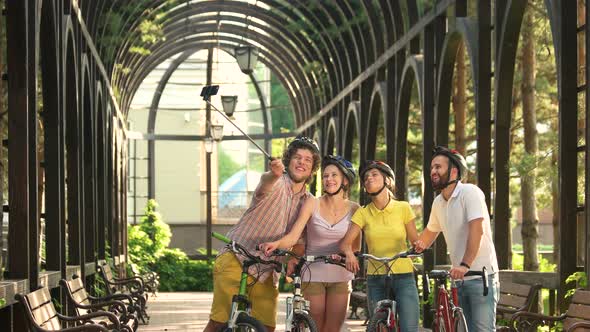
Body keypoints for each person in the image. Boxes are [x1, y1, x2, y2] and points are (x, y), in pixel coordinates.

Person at [204, 136, 321, 332]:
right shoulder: (276, 182)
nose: (302, 162)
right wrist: (273, 174)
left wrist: (293, 260)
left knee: (266, 326)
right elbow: (265, 184)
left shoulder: (308, 201)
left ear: (312, 168)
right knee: (219, 323)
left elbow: (299, 240)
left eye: (308, 160)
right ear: (288, 160)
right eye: (297, 157)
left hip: (267, 269)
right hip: (237, 257)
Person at [260, 155, 361, 332]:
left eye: (334, 175)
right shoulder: (312, 202)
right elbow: (293, 236)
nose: (328, 179)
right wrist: (276, 244)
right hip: (313, 272)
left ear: (344, 179)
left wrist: (346, 255)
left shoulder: (355, 209)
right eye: (325, 176)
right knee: (315, 326)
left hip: (341, 275)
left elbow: (356, 247)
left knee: (333, 329)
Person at [414, 146, 499, 331]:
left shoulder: (470, 192)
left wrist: (465, 265)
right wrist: (413, 250)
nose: (433, 172)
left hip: (480, 276)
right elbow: (428, 234)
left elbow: (477, 230)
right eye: (431, 168)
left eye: (438, 167)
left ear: (454, 171)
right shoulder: (438, 202)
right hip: (459, 279)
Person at [340, 160, 420, 332]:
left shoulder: (403, 208)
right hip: (375, 277)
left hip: (403, 275)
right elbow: (346, 243)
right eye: (366, 177)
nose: (369, 179)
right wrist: (350, 254)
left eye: (374, 175)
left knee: (409, 327)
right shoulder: (363, 212)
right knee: (379, 327)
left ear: (387, 180)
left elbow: (415, 241)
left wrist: (418, 247)